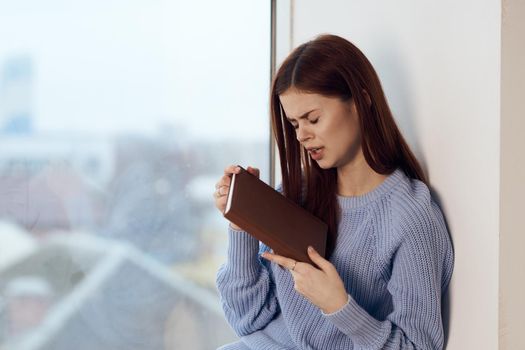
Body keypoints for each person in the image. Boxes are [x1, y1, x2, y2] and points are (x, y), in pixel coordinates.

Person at [213, 34, 454, 350]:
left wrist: (339, 306)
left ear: (361, 100)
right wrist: (241, 226)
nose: (303, 136)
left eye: (313, 118)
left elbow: (417, 346)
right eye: (295, 124)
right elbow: (247, 320)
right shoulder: (296, 195)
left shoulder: (410, 217)